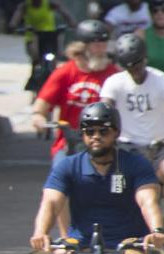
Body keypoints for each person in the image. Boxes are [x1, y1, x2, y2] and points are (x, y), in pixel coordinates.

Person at [30, 101, 164, 254]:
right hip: (84, 249)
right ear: (82, 134)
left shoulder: (135, 165)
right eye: (89, 131)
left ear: (115, 133)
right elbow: (51, 201)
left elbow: (148, 200)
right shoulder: (68, 166)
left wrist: (157, 231)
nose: (96, 137)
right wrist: (40, 232)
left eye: (103, 131)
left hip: (128, 246)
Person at [102, 33, 164, 254]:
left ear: (145, 59)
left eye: (139, 64)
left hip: (158, 143)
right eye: (130, 67)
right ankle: (116, 229)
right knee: (117, 186)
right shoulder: (114, 83)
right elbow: (106, 108)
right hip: (125, 145)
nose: (136, 70)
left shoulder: (162, 81)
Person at [32, 19, 118, 156]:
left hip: (104, 145)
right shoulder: (65, 72)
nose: (101, 48)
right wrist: (38, 118)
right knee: (60, 173)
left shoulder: (114, 75)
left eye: (104, 42)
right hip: (69, 144)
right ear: (82, 47)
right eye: (96, 43)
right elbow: (41, 106)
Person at [9, 0, 76, 90]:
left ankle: (56, 80)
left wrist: (72, 23)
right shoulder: (25, 6)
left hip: (50, 35)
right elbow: (15, 19)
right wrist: (13, 26)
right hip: (34, 37)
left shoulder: (49, 3)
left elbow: (65, 12)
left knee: (54, 57)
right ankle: (33, 80)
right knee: (35, 59)